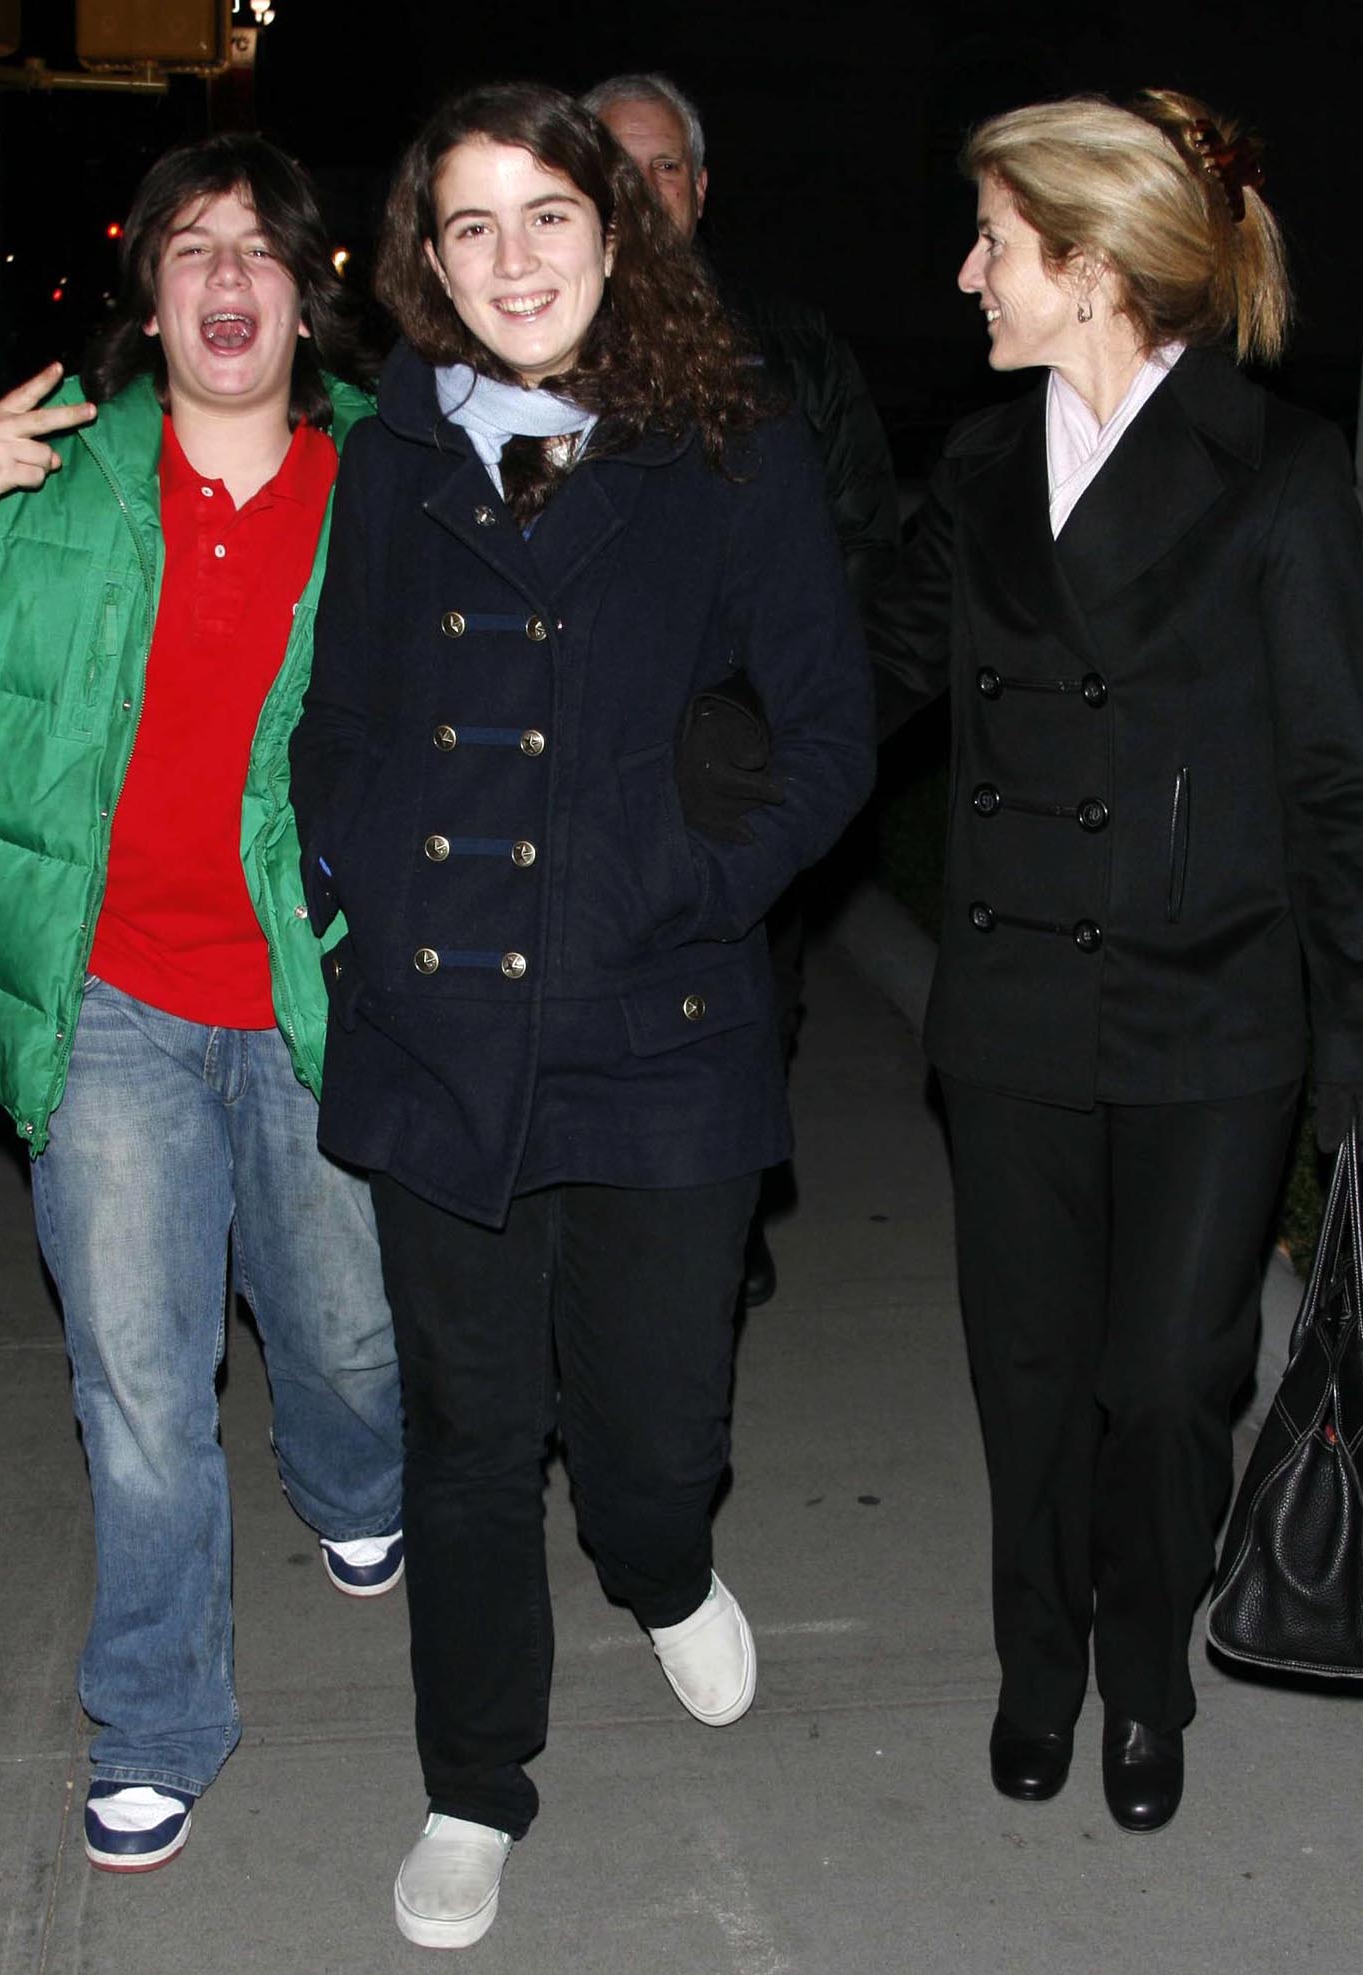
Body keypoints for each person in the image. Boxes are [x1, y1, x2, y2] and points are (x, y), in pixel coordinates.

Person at [0, 135, 404, 1875]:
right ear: (149, 288)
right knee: (139, 1382)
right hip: (106, 999)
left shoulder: (391, 485)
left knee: (346, 1332)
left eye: (259, 251)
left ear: (304, 289)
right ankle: (157, 1717)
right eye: (192, 248)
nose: (225, 280)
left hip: (312, 1001)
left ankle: (358, 1488)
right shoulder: (47, 486)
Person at [288, 82, 874, 1946]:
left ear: (617, 235)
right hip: (442, 1019)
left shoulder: (727, 452)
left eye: (546, 215)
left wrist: (677, 885)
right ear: (425, 265)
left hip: (660, 1018)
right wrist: (354, 881)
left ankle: (663, 1559)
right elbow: (348, 719)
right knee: (466, 1434)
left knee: (642, 1435)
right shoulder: (390, 457)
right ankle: (473, 1784)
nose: (512, 259)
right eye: (470, 227)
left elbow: (833, 737)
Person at [865, 91, 1363, 1833]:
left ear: (1088, 269)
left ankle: (1146, 1671)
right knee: (1025, 1370)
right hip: (1019, 1005)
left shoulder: (1276, 471)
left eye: (995, 247)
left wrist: (1358, 1013)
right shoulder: (973, 467)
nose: (967, 278)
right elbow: (865, 663)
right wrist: (711, 735)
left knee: (1167, 1377)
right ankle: (1040, 1660)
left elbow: (1332, 767)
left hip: (1214, 1004)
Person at [584, 69, 899, 1305]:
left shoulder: (789, 347)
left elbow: (862, 534)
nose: (644, 189)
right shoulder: (524, 338)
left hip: (738, 768)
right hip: (581, 773)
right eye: (615, 164)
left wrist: (781, 707)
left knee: (751, 994)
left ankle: (718, 1212)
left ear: (700, 191)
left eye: (665, 166)